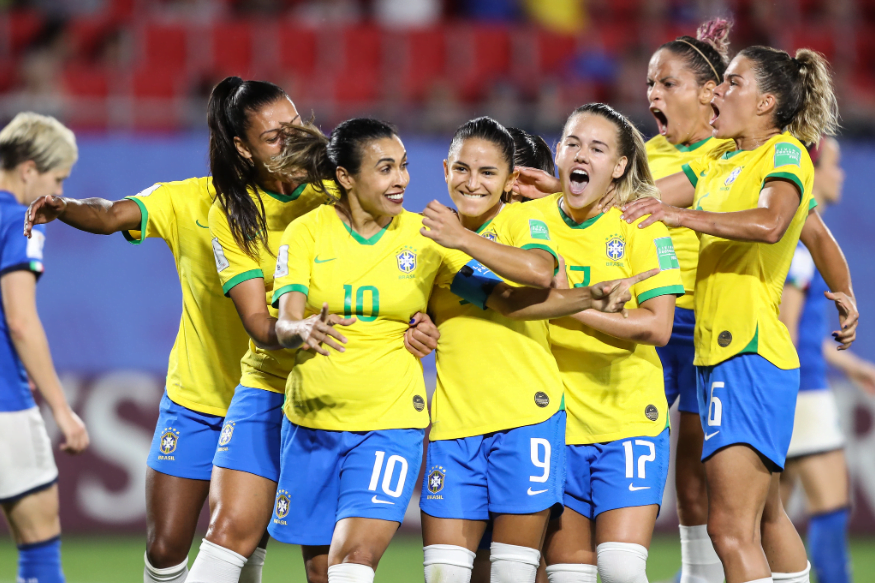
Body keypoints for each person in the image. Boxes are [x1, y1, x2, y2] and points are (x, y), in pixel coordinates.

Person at [185, 85, 441, 582]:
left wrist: (427, 319)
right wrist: (297, 328)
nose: (293, 142)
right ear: (244, 147)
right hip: (274, 383)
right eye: (275, 136)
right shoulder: (233, 211)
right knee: (232, 530)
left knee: (330, 567)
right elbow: (263, 324)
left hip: (349, 387)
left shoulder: (341, 186)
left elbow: (413, 280)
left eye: (297, 125)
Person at [620, 46, 856, 583]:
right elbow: (640, 200)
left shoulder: (786, 152)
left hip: (746, 353)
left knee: (730, 530)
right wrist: (560, 195)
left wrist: (683, 216)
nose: (718, 92)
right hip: (722, 354)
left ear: (766, 102)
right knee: (766, 517)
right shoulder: (719, 160)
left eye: (731, 82)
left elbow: (774, 223)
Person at [526, 103, 684, 583]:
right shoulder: (528, 222)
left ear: (618, 166)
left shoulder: (642, 226)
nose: (581, 154)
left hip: (628, 417)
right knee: (568, 575)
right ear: (558, 151)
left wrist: (574, 304)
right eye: (573, 143)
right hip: (555, 425)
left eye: (597, 148)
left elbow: (658, 326)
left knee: (619, 566)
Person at [419, 117, 565, 583]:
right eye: (462, 169)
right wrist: (414, 327)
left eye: (487, 173)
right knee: (444, 573)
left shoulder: (527, 219)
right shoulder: (426, 241)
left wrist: (461, 239)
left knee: (515, 573)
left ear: (508, 180)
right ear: (445, 169)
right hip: (454, 423)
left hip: (525, 417)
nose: (473, 182)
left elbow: (540, 272)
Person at [644, 19, 734, 583]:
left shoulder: (735, 149)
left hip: (709, 322)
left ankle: (698, 573)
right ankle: (612, 560)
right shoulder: (640, 151)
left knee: (702, 458)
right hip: (650, 316)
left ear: (708, 92)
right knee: (633, 441)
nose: (652, 94)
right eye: (650, 83)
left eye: (666, 82)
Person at [779, 137, 874, 583]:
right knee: (831, 510)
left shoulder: (799, 242)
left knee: (767, 521)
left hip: (789, 394)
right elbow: (787, 331)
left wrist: (853, 367)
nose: (842, 175)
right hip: (802, 394)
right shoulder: (801, 247)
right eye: (834, 165)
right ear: (812, 173)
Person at [1, 112, 88, 583]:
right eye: (58, 179)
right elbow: (20, 319)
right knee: (39, 540)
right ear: (29, 169)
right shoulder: (19, 221)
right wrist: (62, 410)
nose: (55, 193)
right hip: (4, 405)